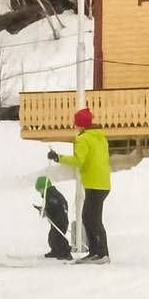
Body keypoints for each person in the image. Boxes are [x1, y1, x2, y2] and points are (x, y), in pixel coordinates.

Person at [48, 108, 111, 264]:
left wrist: (58, 158)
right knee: (93, 218)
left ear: (81, 123)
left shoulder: (84, 139)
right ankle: (99, 252)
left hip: (94, 184)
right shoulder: (100, 137)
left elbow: (78, 161)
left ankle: (99, 253)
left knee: (90, 218)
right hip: (103, 183)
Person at [34, 176, 73, 261]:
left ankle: (65, 253)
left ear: (43, 187)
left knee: (58, 237)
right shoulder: (52, 194)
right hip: (57, 220)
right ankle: (55, 251)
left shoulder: (51, 195)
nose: (40, 193)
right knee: (52, 237)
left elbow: (54, 207)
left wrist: (46, 211)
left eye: (40, 190)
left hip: (60, 221)